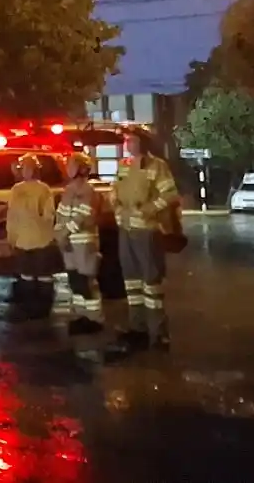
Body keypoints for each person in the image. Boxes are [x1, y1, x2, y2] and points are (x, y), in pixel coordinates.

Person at [111, 128, 179, 352]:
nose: (128, 143)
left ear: (143, 142)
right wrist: (118, 210)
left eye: (132, 139)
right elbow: (115, 192)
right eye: (126, 140)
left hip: (148, 232)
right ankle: (137, 329)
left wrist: (147, 210)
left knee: (151, 283)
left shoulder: (156, 166)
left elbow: (169, 195)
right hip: (126, 231)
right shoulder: (124, 165)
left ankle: (159, 334)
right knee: (132, 283)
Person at [56, 152, 103, 336]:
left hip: (84, 245)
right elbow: (61, 214)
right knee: (75, 283)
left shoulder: (88, 191)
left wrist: (64, 233)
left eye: (72, 164)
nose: (68, 167)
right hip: (70, 247)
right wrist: (59, 235)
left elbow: (83, 215)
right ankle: (81, 315)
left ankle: (95, 319)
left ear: (82, 168)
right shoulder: (68, 191)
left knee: (86, 283)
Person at [7, 152, 57, 319]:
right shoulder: (16, 190)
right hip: (23, 239)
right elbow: (12, 215)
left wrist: (44, 225)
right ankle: (29, 307)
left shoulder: (44, 189)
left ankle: (43, 309)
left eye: (29, 168)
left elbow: (49, 214)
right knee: (26, 275)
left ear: (35, 170)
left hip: (41, 239)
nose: (25, 171)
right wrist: (11, 236)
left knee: (43, 275)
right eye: (23, 168)